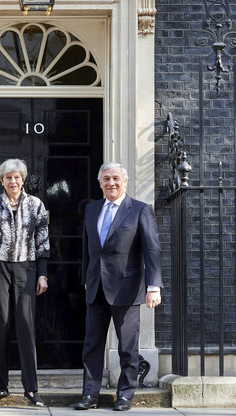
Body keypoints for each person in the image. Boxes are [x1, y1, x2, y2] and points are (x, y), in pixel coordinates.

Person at [74, 162, 162, 412]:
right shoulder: (92, 210)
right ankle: (89, 394)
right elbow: (88, 250)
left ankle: (125, 394)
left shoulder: (140, 210)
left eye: (115, 178)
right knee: (92, 345)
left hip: (127, 287)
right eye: (106, 179)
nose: (111, 183)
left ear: (125, 181)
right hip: (96, 287)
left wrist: (153, 286)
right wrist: (85, 280)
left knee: (127, 346)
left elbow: (152, 250)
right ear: (100, 183)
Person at [0, 158, 49, 407]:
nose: (12, 181)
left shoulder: (36, 205)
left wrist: (43, 274)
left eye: (16, 177)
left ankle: (31, 389)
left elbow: (43, 243)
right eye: (7, 177)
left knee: (25, 324)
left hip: (27, 267)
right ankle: (1, 385)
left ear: (23, 179)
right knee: (0, 324)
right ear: (1, 181)